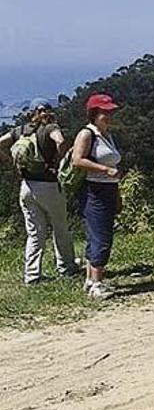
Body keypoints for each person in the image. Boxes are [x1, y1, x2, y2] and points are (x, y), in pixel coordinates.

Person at [0, 98, 78, 285]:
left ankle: (32, 275)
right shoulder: (51, 128)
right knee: (60, 227)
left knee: (35, 233)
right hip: (49, 185)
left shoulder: (20, 131)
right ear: (48, 112)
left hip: (27, 187)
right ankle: (66, 267)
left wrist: (10, 163)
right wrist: (60, 160)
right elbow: (60, 141)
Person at [72, 94, 122, 300]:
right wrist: (104, 169)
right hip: (94, 189)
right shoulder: (87, 134)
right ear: (94, 114)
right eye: (105, 113)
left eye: (111, 112)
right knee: (101, 238)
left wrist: (117, 193)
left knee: (98, 235)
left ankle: (91, 280)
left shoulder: (106, 135)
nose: (109, 116)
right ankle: (97, 283)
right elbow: (77, 160)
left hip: (109, 189)